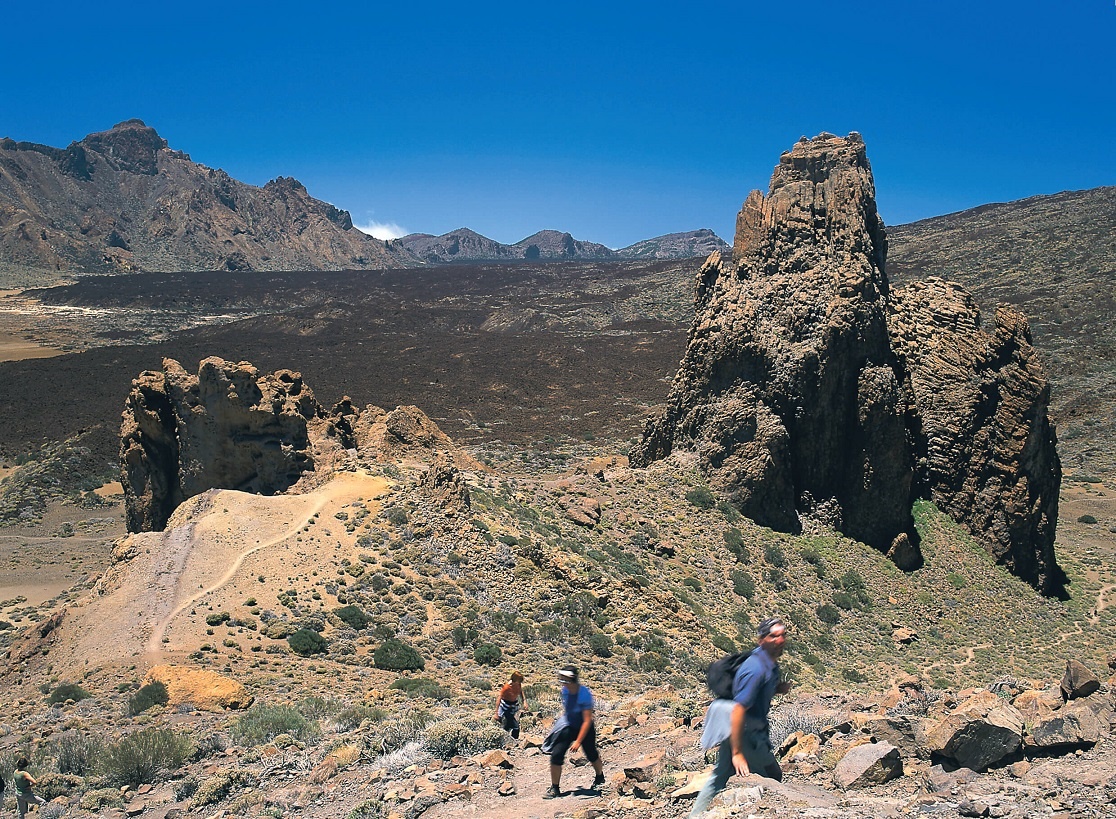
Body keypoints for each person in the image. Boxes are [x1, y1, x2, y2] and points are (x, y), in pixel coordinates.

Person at [689, 617, 792, 817]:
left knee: (719, 777)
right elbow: (738, 709)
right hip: (747, 735)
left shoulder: (768, 663)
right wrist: (738, 753)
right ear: (761, 640)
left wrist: (778, 688)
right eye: (773, 636)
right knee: (772, 776)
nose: (779, 640)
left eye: (782, 635)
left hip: (745, 732)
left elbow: (758, 691)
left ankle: (695, 816)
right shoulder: (755, 668)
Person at [544, 665, 605, 798]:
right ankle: (555, 788)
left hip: (585, 728)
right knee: (556, 754)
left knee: (591, 754)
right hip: (570, 726)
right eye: (561, 679)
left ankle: (600, 777)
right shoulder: (565, 691)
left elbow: (587, 720)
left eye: (565, 679)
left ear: (572, 679)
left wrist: (578, 741)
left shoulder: (584, 694)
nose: (562, 682)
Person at [493, 670, 530, 739]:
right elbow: (499, 698)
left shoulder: (518, 684)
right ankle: (511, 741)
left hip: (513, 706)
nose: (520, 683)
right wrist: (496, 712)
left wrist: (524, 701)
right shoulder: (506, 687)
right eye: (519, 681)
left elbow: (520, 691)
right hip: (506, 707)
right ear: (515, 680)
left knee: (509, 725)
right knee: (514, 727)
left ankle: (508, 740)